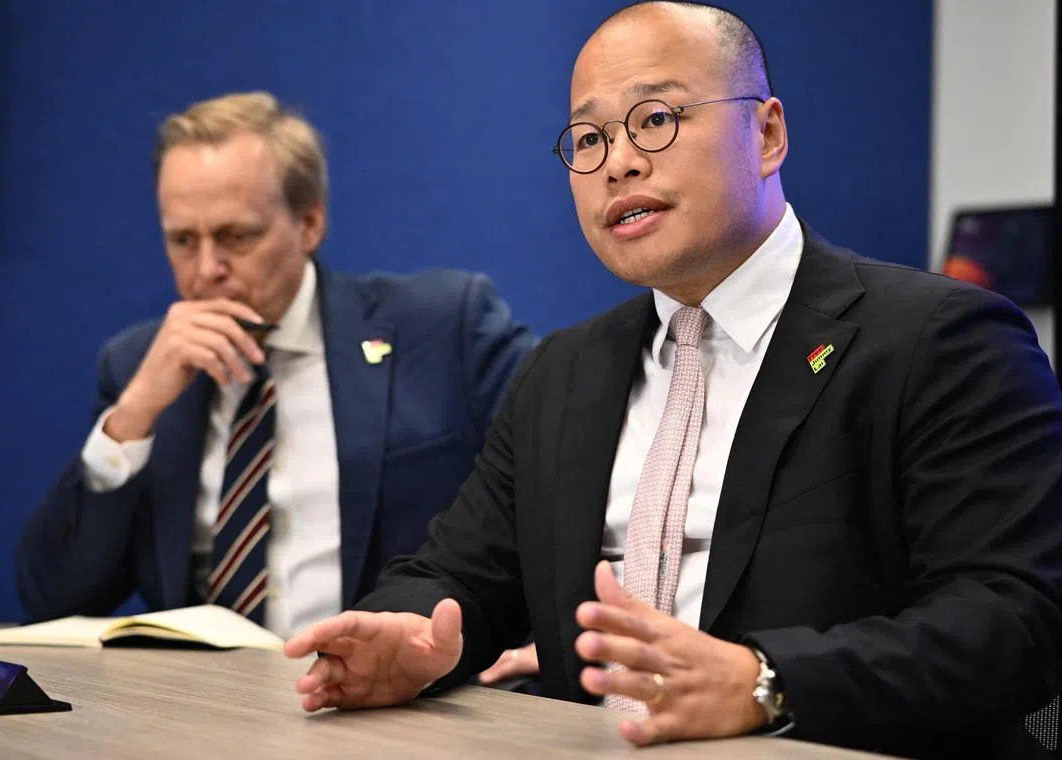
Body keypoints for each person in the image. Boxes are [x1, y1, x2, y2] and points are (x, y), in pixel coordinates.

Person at [283, 3, 1062, 758]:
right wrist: (407, 634)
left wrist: (769, 682)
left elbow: (1016, 618)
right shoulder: (563, 372)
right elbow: (461, 576)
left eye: (656, 119)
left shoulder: (939, 341)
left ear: (766, 133)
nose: (618, 161)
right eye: (588, 137)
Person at [16, 92, 538, 641]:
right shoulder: (136, 368)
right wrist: (134, 415)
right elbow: (52, 598)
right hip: (202, 710)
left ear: (309, 223)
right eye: (182, 240)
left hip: (395, 701)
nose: (207, 269)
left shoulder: (441, 327)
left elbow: (564, 492)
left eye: (237, 236)